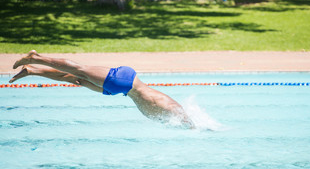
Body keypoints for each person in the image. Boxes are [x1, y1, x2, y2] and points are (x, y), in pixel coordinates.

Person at [10, 50, 195, 129]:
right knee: (78, 69)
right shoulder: (174, 109)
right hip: (125, 82)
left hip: (121, 90)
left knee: (77, 79)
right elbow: (181, 113)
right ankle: (35, 58)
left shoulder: (170, 116)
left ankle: (32, 71)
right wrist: (196, 128)